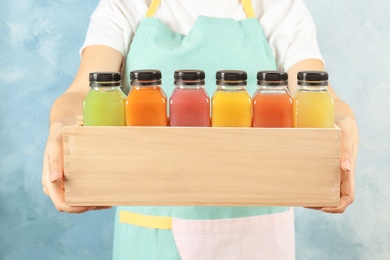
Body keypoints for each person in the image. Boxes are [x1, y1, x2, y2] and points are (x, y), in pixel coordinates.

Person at [42, 0, 359, 259]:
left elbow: (318, 93)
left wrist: (345, 123)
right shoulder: (126, 5)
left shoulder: (278, 7)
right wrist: (60, 128)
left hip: (256, 235)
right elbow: (83, 92)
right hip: (150, 233)